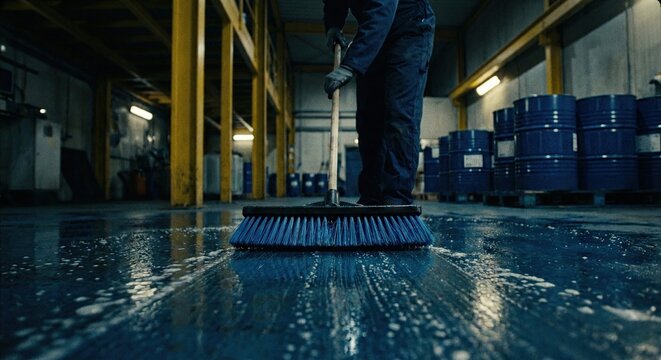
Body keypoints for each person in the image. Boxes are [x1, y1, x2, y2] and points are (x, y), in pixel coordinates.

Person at [323, 0, 435, 205]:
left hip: (409, 28)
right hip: (374, 30)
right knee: (368, 121)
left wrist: (351, 65)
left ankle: (397, 198)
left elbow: (383, 8)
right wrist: (332, 24)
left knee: (399, 115)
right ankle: (371, 197)